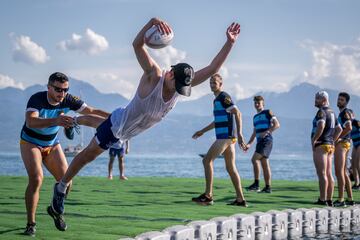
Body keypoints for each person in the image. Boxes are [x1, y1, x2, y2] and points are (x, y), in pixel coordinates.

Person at [50, 17, 241, 220]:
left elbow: (212, 69)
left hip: (126, 129)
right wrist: (152, 22)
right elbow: (137, 44)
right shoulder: (154, 75)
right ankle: (60, 188)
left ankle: (73, 120)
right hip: (119, 125)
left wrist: (229, 43)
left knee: (99, 121)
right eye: (177, 85)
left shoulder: (180, 84)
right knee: (88, 155)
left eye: (182, 88)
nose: (179, 91)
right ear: (170, 74)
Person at [20, 72, 109, 236]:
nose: (62, 94)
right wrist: (56, 121)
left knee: (66, 180)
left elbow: (91, 110)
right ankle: (30, 224)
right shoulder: (37, 99)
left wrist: (116, 118)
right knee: (36, 178)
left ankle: (56, 210)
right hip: (31, 142)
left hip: (52, 144)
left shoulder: (69, 99)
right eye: (58, 89)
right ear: (49, 88)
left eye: (65, 90)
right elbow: (30, 122)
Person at [191, 74, 247, 206]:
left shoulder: (223, 97)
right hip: (226, 137)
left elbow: (237, 113)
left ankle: (208, 195)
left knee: (207, 160)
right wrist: (202, 131)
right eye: (210, 82)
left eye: (214, 82)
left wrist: (239, 134)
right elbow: (217, 121)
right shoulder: (216, 100)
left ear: (220, 84)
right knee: (230, 168)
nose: (212, 84)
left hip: (225, 137)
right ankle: (240, 199)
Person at [311, 91, 342, 206]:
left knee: (322, 174)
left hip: (321, 145)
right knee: (329, 173)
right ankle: (329, 199)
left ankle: (322, 199)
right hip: (330, 145)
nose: (315, 101)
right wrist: (332, 140)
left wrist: (315, 139)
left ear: (324, 99)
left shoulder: (322, 112)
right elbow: (339, 129)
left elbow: (321, 125)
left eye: (317, 98)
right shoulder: (333, 112)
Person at [245, 95, 280, 193]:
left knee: (254, 159)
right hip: (259, 142)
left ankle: (256, 184)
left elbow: (277, 124)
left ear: (262, 103)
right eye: (255, 103)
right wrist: (249, 144)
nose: (256, 105)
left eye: (258, 103)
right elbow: (254, 132)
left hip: (266, 141)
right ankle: (268, 188)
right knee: (264, 163)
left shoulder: (268, 112)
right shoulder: (255, 117)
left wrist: (267, 131)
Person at [334, 92, 354, 206]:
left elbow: (349, 127)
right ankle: (350, 199)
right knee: (344, 172)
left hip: (342, 144)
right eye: (338, 99)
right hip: (346, 143)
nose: (339, 101)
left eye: (341, 100)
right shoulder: (344, 113)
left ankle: (341, 199)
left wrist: (339, 138)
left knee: (339, 172)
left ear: (346, 102)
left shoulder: (345, 113)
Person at [350, 111, 360, 190]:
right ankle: (357, 183)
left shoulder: (356, 122)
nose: (348, 116)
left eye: (350, 115)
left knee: (358, 164)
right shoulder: (346, 124)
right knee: (353, 164)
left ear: (353, 115)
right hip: (355, 144)